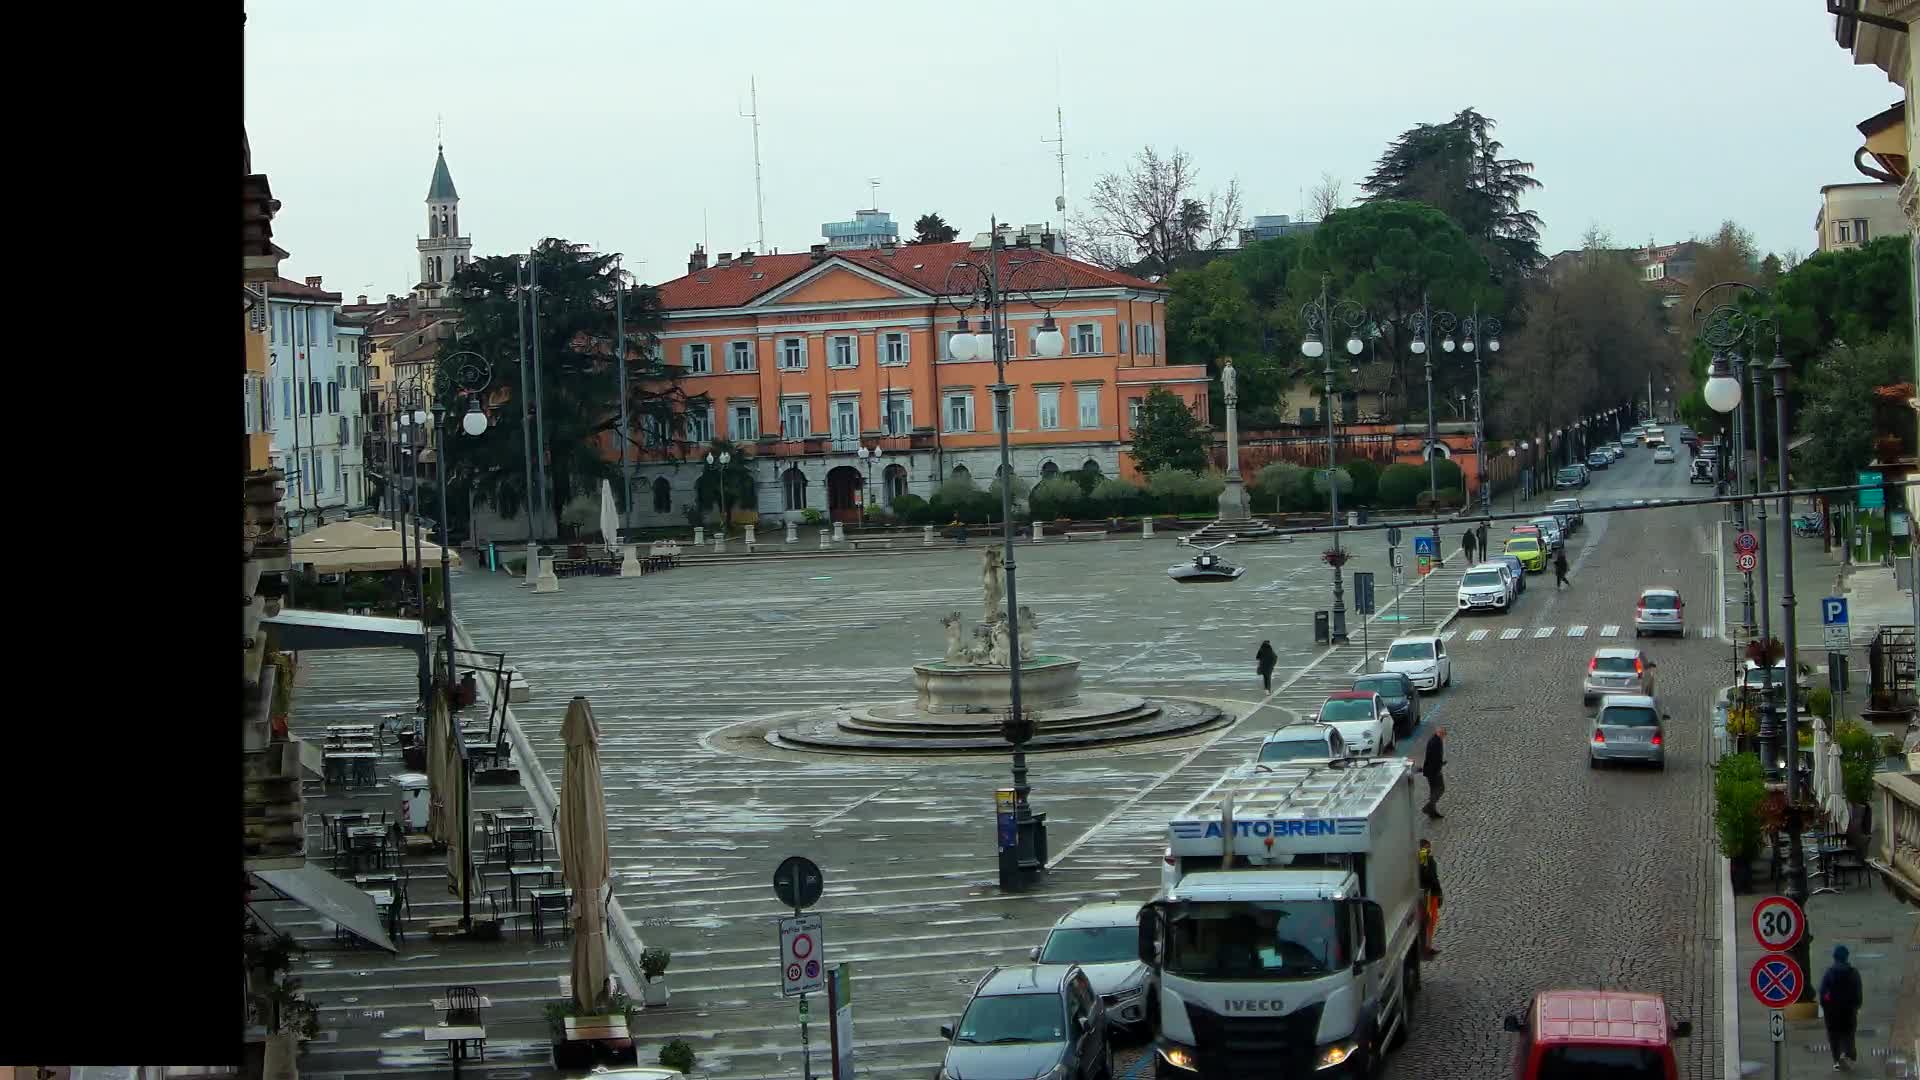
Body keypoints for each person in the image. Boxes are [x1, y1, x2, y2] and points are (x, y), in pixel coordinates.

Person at [1819, 944, 1863, 1070]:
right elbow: (1858, 993)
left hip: (1832, 1013)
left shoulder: (1829, 973)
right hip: (1849, 1011)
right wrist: (1856, 1006)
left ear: (1834, 957)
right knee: (1849, 1035)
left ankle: (1837, 1060)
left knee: (1834, 1037)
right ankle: (1849, 1056)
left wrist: (1827, 1006)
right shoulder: (1853, 973)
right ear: (1846, 957)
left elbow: (1823, 994)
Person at [1416, 839, 1443, 958]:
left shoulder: (1424, 859)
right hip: (1428, 894)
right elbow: (1430, 876)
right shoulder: (1425, 859)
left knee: (1430, 920)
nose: (1429, 850)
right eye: (1427, 847)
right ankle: (1426, 947)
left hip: (1428, 893)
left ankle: (1427, 945)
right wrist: (1439, 892)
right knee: (1428, 921)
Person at [1420, 727, 1447, 819]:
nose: (1443, 737)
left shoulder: (1434, 740)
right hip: (1434, 771)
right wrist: (1439, 765)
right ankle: (1429, 807)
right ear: (1440, 733)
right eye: (1443, 735)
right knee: (1440, 788)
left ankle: (1432, 812)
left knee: (1433, 791)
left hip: (1431, 770)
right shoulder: (1436, 742)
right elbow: (1434, 758)